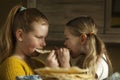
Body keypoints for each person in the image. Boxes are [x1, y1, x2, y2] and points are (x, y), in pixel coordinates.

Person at [46, 16, 113, 80]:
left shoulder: (98, 63)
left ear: (82, 39)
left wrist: (65, 65)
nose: (65, 43)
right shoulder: (86, 59)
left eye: (67, 38)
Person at [0, 5, 49, 80]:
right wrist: (50, 74)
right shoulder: (11, 65)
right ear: (20, 35)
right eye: (39, 37)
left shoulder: (39, 64)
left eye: (45, 38)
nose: (44, 43)